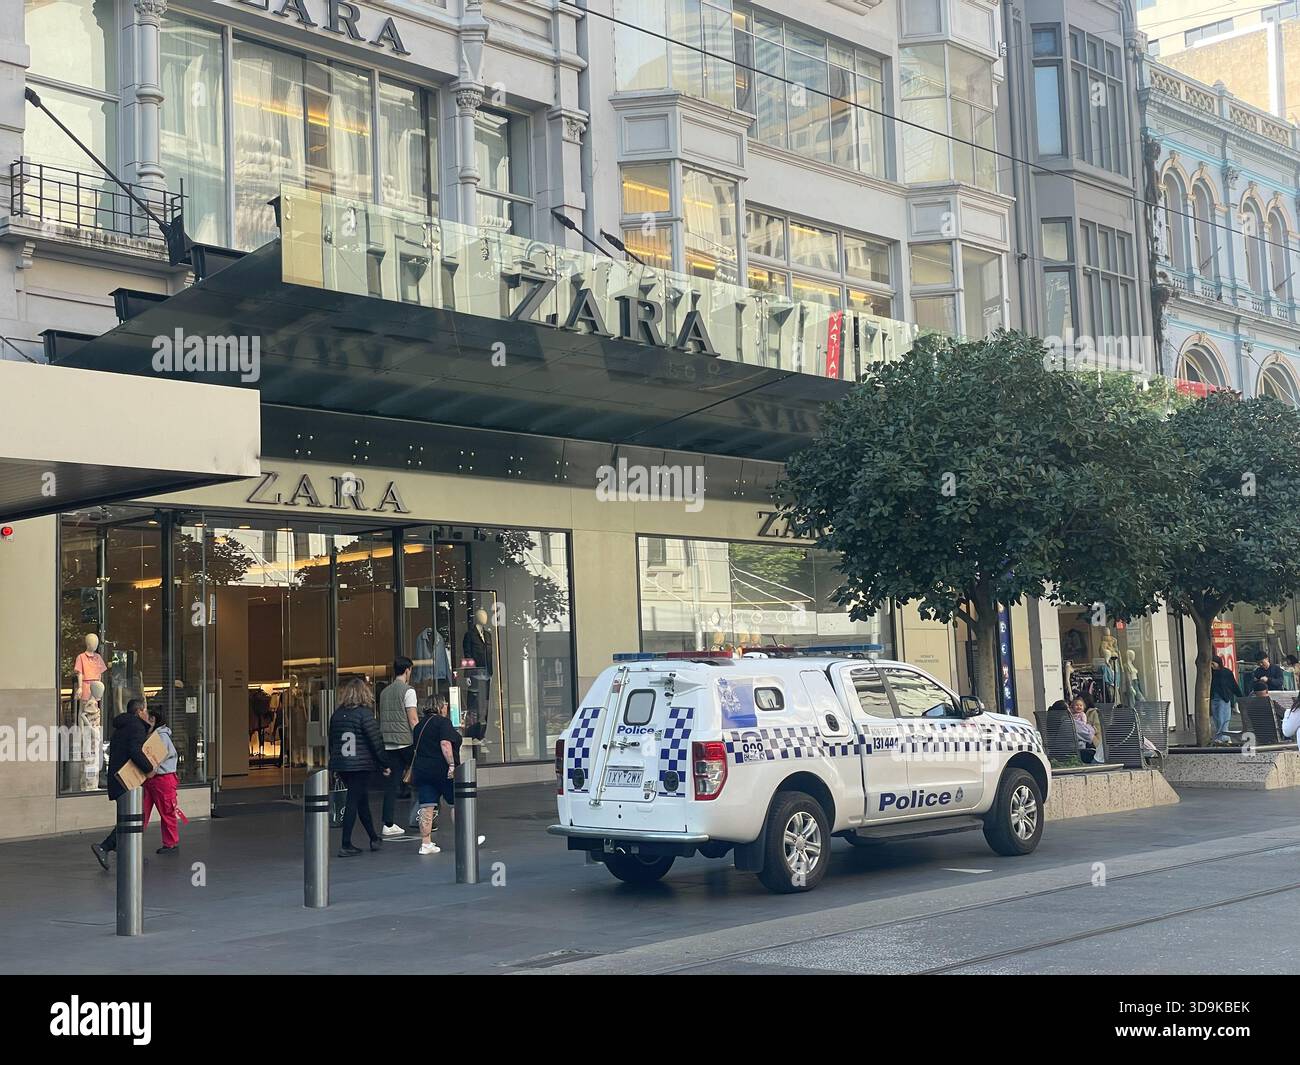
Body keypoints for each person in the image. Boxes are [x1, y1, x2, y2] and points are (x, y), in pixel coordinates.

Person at [410, 696, 484, 856]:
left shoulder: (419, 726)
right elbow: (445, 744)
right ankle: (467, 839)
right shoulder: (443, 723)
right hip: (442, 770)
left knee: (426, 807)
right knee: (455, 803)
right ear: (440, 706)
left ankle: (426, 843)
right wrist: (451, 764)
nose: (446, 707)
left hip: (423, 771)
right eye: (445, 705)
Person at [327, 676, 390, 857]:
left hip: (343, 765)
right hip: (361, 765)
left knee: (361, 801)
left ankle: (373, 837)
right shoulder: (365, 714)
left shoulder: (337, 715)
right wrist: (384, 763)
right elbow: (375, 742)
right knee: (354, 802)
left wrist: (335, 763)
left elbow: (332, 742)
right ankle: (346, 843)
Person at [90, 697, 155, 870]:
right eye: (146, 710)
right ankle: (105, 846)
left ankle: (127, 852)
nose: (147, 714)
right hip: (126, 779)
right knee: (134, 817)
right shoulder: (136, 727)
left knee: (130, 817)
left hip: (118, 778)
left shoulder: (123, 727)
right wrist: (148, 768)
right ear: (139, 711)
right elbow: (135, 750)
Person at [378, 656, 420, 837]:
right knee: (423, 777)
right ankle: (423, 817)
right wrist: (420, 739)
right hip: (405, 741)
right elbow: (413, 719)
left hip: (388, 743)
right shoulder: (408, 691)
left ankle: (388, 824)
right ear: (408, 670)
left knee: (392, 784)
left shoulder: (384, 692)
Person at [143, 708, 185, 854]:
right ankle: (169, 843)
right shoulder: (157, 735)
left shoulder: (160, 738)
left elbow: (156, 760)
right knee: (144, 812)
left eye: (146, 716)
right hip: (156, 780)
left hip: (161, 779)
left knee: (166, 812)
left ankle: (171, 844)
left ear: (153, 719)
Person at [1210, 654, 1243, 745]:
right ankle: (1223, 737)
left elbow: (1233, 685)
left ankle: (1223, 737)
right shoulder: (1209, 673)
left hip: (1223, 698)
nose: (1212, 666)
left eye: (1213, 664)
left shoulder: (1226, 672)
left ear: (1218, 663)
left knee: (1223, 718)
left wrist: (1240, 696)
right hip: (1213, 698)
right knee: (1217, 719)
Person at [1067, 696, 1103, 764]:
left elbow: (1086, 727)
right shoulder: (1073, 721)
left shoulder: (1081, 716)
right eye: (1076, 705)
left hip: (1078, 746)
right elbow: (1088, 735)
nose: (1079, 707)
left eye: (1081, 705)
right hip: (1078, 749)